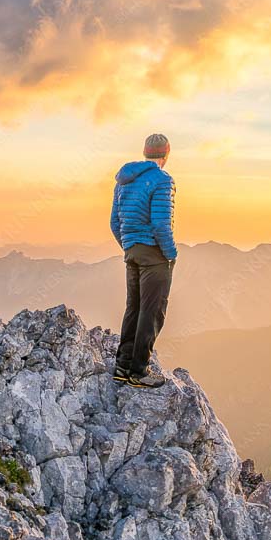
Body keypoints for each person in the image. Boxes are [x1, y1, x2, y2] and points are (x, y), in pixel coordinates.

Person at [109, 133, 178, 387]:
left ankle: (122, 367)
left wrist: (129, 246)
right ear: (166, 154)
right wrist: (170, 254)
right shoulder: (162, 180)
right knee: (152, 312)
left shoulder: (124, 180)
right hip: (154, 255)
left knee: (134, 308)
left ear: (145, 152)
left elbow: (114, 222)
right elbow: (161, 224)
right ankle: (139, 372)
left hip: (132, 252)